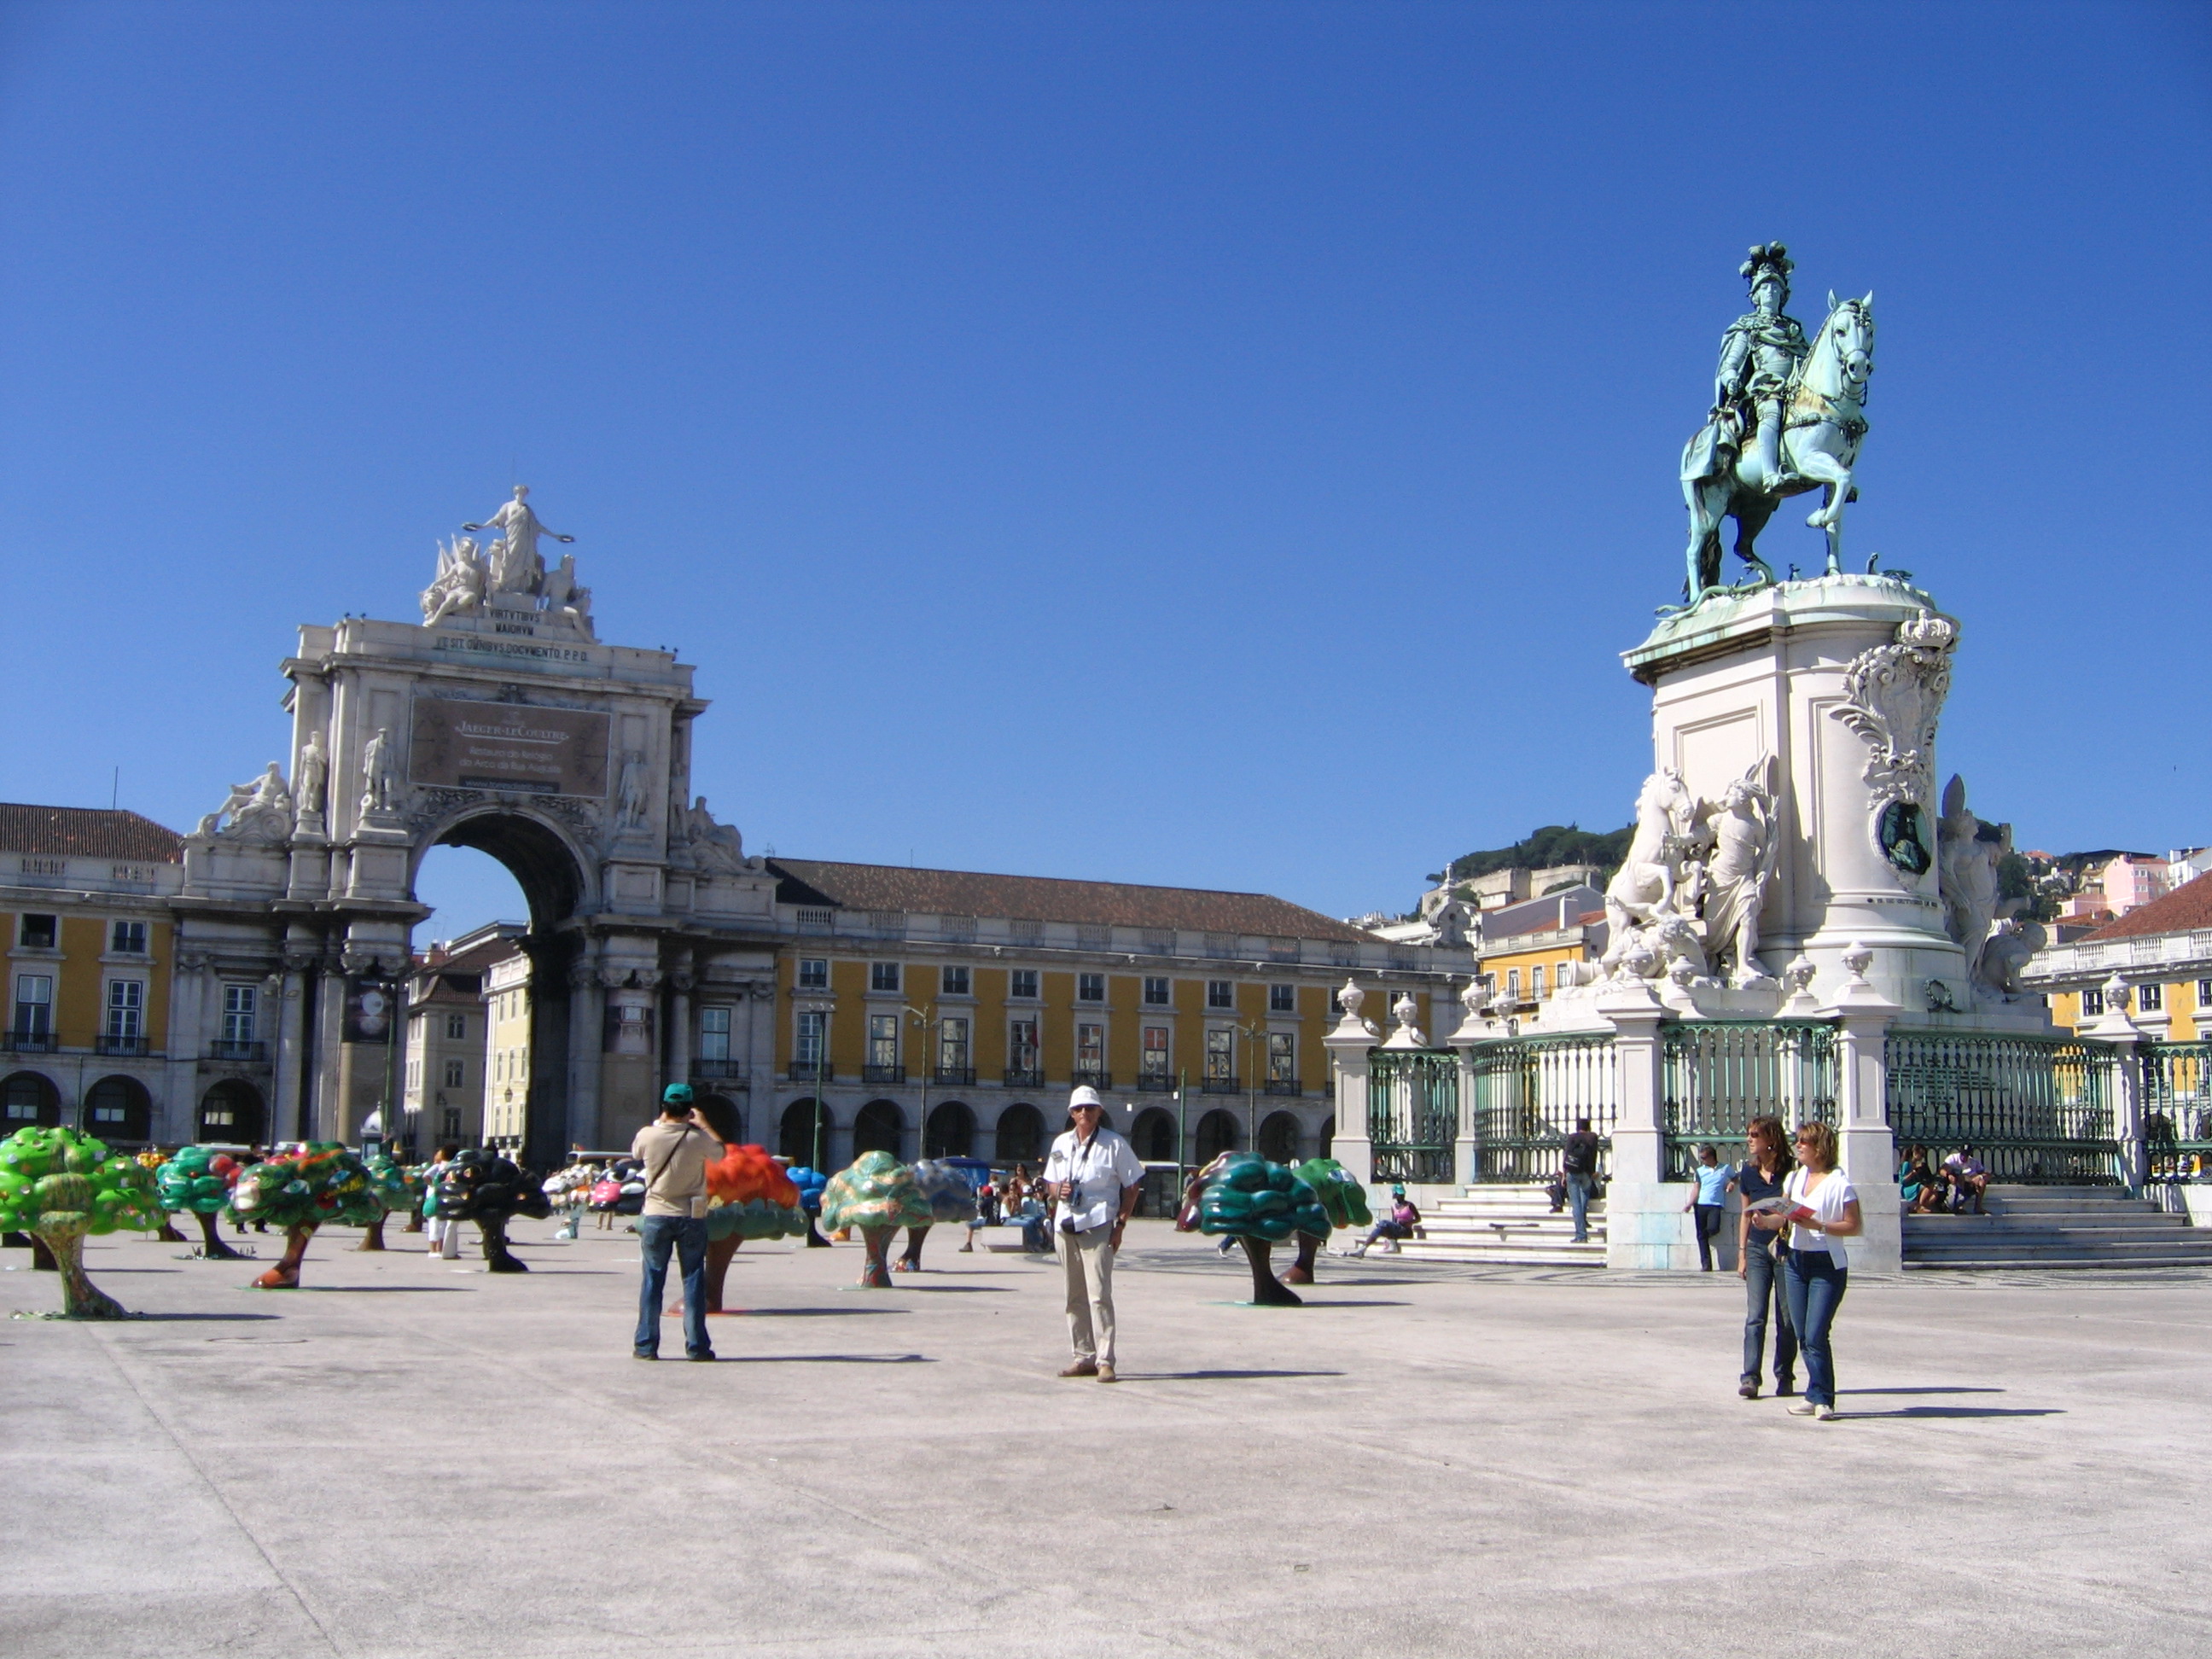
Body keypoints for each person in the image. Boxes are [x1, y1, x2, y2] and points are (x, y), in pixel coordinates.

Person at [1750, 1121, 1860, 1421]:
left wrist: (1820, 1226)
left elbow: (1854, 1225)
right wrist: (1767, 1222)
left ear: (1820, 1147)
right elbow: (1784, 1218)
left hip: (1827, 1263)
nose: (1798, 1146)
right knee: (1801, 1333)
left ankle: (1824, 1398)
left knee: (1815, 1333)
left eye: (1804, 1142)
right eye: (1798, 1140)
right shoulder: (1795, 1179)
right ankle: (1813, 1395)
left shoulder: (1840, 1183)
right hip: (1796, 1262)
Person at [1041, 1086, 1144, 1382]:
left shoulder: (1114, 1144)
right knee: (1073, 1296)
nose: (1084, 1113)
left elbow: (1132, 1186)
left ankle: (1105, 1360)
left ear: (1099, 1112)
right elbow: (1050, 1181)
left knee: (1099, 1295)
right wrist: (1055, 1190)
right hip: (1065, 1226)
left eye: (1090, 1108)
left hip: (1098, 1225)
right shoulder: (1061, 1143)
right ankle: (1083, 1356)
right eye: (1078, 1109)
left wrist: (1120, 1224)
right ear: (1071, 1113)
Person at [630, 1085, 719, 1362]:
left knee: (652, 1280)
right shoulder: (697, 1139)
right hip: (691, 1216)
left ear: (664, 1105)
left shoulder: (647, 1134)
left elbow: (635, 1154)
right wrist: (703, 1124)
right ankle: (696, 1346)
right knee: (693, 1280)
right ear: (690, 1110)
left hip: (656, 1215)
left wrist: (661, 1122)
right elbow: (722, 1154)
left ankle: (646, 1346)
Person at [1733, 1116, 1796, 1400]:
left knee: (1787, 1318)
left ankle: (1784, 1375)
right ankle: (1750, 1377)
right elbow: (1745, 1215)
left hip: (1785, 1247)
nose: (1749, 1139)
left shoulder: (1791, 1172)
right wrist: (1742, 1254)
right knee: (1755, 1316)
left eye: (1754, 1134)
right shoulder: (1747, 1173)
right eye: (1748, 1134)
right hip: (1758, 1249)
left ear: (1771, 1139)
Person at [1681, 1143, 1734, 1272]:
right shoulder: (1700, 1171)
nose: (1702, 1160)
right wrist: (1689, 1203)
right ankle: (1706, 1264)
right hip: (1701, 1204)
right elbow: (1696, 1188)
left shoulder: (1725, 1168)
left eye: (1704, 1158)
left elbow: (1735, 1178)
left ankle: (1705, 1236)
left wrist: (1731, 1183)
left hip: (1715, 1204)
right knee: (1701, 1236)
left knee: (1713, 1228)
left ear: (1712, 1157)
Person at [1561, 1117, 1603, 1243]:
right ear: (1588, 1127)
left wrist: (1564, 1175)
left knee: (1576, 1204)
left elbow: (1566, 1156)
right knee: (1584, 1200)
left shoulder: (1572, 1137)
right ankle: (1583, 1223)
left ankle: (1581, 1235)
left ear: (1578, 1127)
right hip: (1586, 1173)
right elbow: (1594, 1155)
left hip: (1573, 1173)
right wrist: (1591, 1171)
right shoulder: (1593, 1138)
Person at [1352, 1186, 1421, 1255]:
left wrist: (1408, 1222)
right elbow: (1394, 1221)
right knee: (1379, 1229)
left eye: (1402, 1195)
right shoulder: (1393, 1207)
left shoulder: (1410, 1205)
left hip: (1406, 1231)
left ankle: (1363, 1249)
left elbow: (1418, 1219)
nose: (1401, 1196)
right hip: (1397, 1229)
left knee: (1383, 1223)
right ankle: (1362, 1249)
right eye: (1399, 1194)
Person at [422, 1144, 463, 1260]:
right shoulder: (455, 1166)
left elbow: (426, 1175)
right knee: (444, 1223)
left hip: (435, 1193)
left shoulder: (440, 1166)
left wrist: (433, 1185)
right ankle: (440, 1249)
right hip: (448, 1194)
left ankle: (434, 1249)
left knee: (434, 1222)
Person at [1942, 1144, 1988, 1215]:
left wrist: (1979, 1177)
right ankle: (1960, 1206)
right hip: (1954, 1183)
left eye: (1967, 1154)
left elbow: (1986, 1174)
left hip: (1969, 1183)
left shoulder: (1974, 1162)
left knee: (1982, 1182)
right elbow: (1942, 1169)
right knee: (1961, 1177)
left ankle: (1978, 1207)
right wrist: (1949, 1175)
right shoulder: (1953, 1158)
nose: (1964, 1157)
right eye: (1963, 1154)